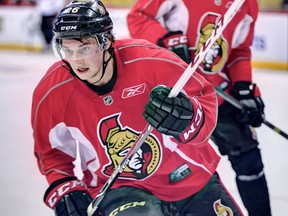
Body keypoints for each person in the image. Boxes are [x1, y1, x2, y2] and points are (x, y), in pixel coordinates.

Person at [31, 0, 244, 215]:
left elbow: (206, 104)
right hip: (119, 188)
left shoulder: (153, 61)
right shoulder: (53, 91)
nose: (76, 60)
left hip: (189, 176)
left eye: (84, 48)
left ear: (106, 42)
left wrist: (189, 119)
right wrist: (64, 187)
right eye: (67, 49)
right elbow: (50, 152)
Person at [127, 0, 271, 215]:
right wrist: (166, 39)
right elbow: (137, 16)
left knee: (249, 158)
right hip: (171, 95)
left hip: (216, 95)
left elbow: (239, 49)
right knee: (164, 169)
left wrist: (243, 87)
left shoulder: (247, 4)